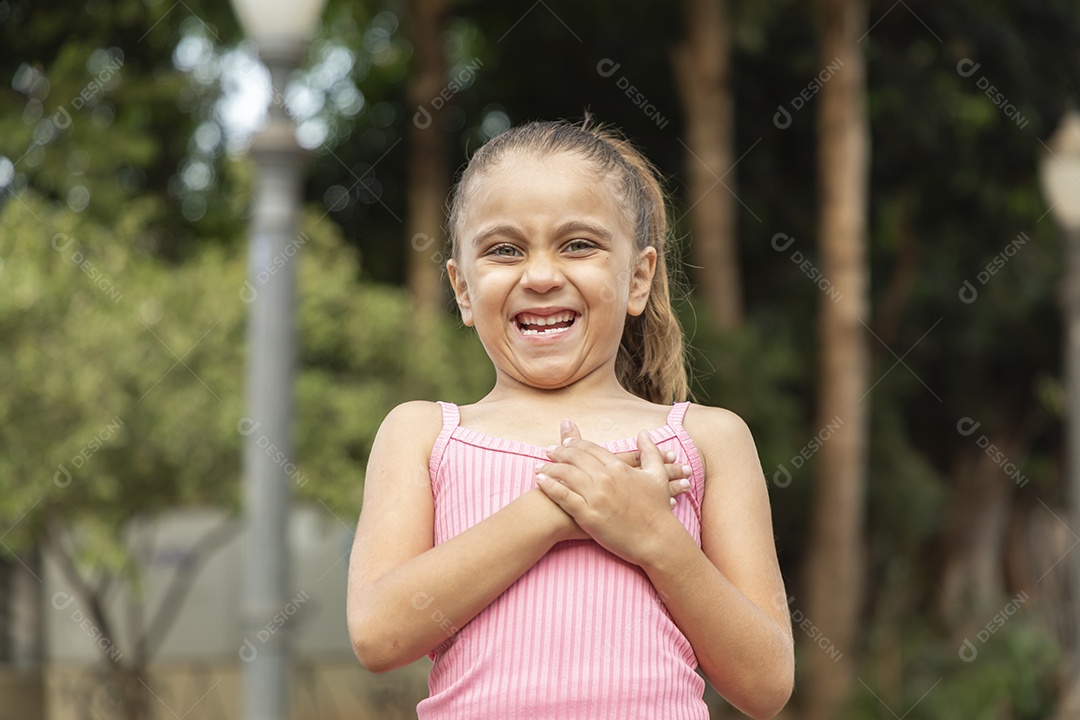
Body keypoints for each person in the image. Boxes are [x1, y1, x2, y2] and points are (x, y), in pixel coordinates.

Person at [346, 120, 794, 719]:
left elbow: (766, 683)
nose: (540, 276)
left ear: (638, 278)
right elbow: (379, 634)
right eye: (504, 250)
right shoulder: (424, 434)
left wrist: (654, 538)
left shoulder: (707, 440)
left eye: (578, 244)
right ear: (462, 288)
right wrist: (558, 511)